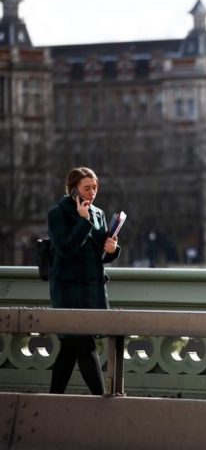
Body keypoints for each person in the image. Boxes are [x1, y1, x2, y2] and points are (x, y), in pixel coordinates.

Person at [47, 166, 120, 394]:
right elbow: (65, 248)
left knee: (69, 348)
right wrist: (82, 221)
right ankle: (103, 404)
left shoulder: (97, 213)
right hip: (69, 291)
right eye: (87, 188)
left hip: (92, 290)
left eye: (95, 187)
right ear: (73, 190)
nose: (92, 192)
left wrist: (112, 249)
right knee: (84, 343)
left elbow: (97, 253)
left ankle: (52, 401)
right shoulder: (58, 214)